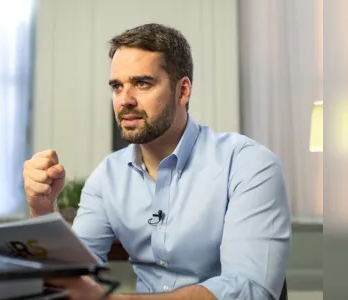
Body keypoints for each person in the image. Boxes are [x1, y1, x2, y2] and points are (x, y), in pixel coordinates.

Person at [23, 23, 291, 300]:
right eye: (117, 86)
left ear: (183, 91)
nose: (124, 100)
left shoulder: (248, 164)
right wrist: (42, 210)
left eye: (142, 83)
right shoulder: (108, 175)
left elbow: (251, 289)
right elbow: (73, 276)